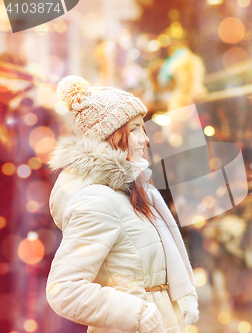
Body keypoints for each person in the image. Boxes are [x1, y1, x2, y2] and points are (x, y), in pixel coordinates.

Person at [46, 76, 199, 333]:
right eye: (135, 128)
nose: (145, 138)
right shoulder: (98, 199)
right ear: (111, 135)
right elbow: (64, 289)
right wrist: (137, 313)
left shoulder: (131, 193)